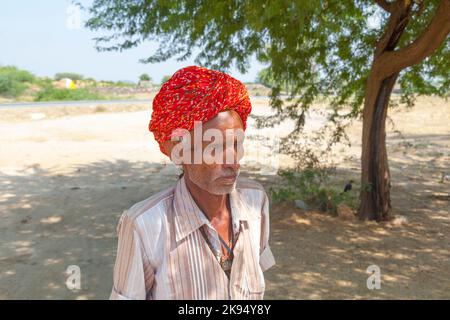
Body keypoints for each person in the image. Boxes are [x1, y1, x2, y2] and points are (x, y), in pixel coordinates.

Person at [110, 65, 275, 300]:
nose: (233, 162)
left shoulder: (255, 201)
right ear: (178, 151)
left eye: (237, 144)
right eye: (215, 147)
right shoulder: (143, 226)